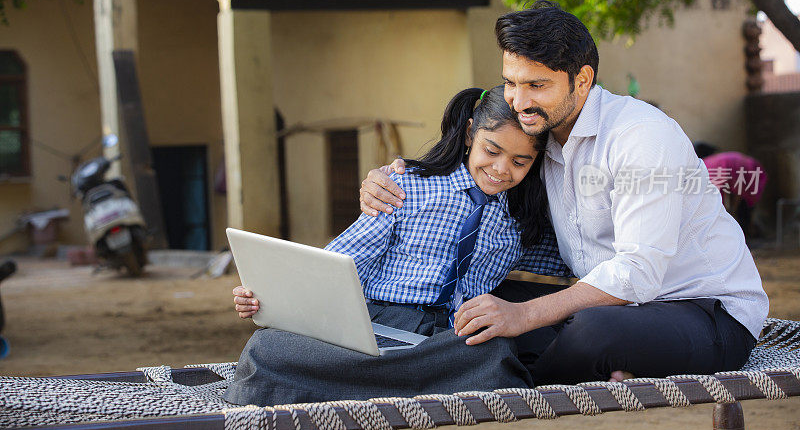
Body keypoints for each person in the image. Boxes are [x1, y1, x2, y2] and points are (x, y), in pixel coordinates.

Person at [360, 1, 768, 386]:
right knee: (480, 305)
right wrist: (395, 178)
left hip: (706, 314)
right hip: (615, 306)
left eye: (537, 85)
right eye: (511, 83)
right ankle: (465, 366)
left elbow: (639, 273)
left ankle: (511, 388)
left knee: (592, 332)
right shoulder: (540, 142)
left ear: (583, 80)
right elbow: (482, 177)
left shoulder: (640, 136)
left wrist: (523, 317)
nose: (520, 101)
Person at [225, 86, 571, 406]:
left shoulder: (520, 219)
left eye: (519, 162)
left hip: (450, 335)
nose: (500, 169)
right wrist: (269, 296)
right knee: (267, 347)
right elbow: (341, 261)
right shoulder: (404, 188)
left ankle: (366, 385)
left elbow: (573, 262)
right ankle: (418, 387)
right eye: (491, 151)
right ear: (469, 134)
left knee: (495, 352)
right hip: (379, 323)